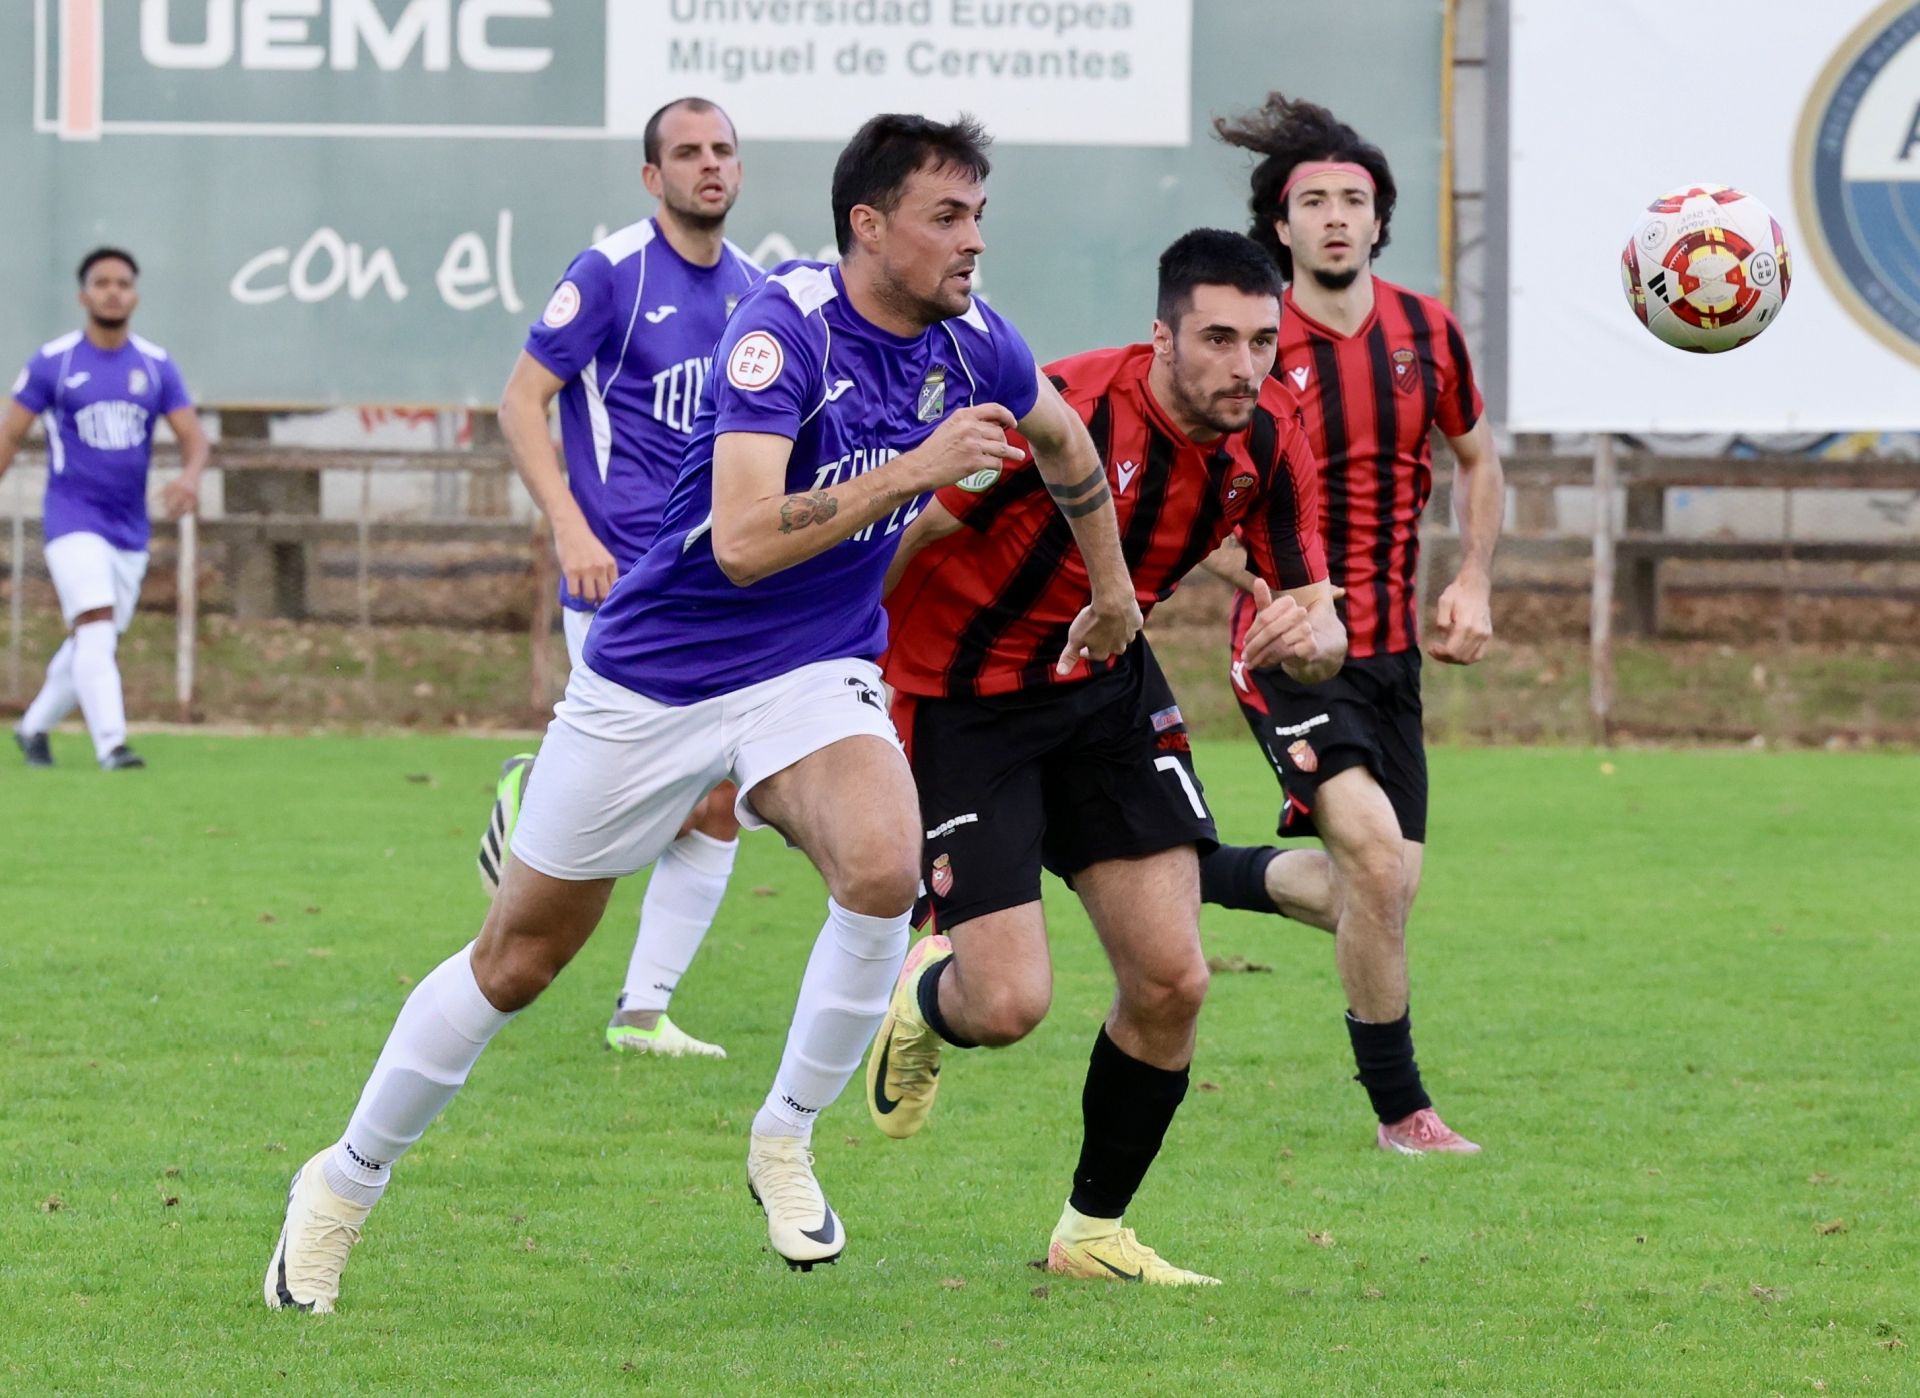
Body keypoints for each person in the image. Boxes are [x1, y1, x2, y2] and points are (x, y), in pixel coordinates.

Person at [264, 112, 1142, 1313]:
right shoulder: (780, 331)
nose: (972, 242)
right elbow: (737, 543)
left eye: (980, 216)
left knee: (885, 872)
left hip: (814, 668)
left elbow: (1063, 439)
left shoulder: (973, 340)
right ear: (868, 227)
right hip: (656, 676)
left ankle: (783, 1137)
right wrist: (910, 471)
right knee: (519, 961)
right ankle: (342, 1185)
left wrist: (1113, 588)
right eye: (948, 217)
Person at [867, 229, 1344, 1285]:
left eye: (1263, 340)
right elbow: (911, 536)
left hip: (1109, 698)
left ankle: (1090, 1232)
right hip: (965, 703)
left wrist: (1316, 640)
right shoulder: (1067, 409)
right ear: (1162, 335)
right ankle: (926, 997)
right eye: (1217, 338)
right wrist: (835, 664)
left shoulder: (1270, 437)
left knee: (1173, 979)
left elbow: (1317, 615)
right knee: (1006, 1006)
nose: (1244, 365)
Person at [1200, 93, 1504, 1155]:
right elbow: (1197, 512)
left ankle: (1175, 865)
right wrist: (1277, 589)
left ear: (1380, 221)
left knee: (1375, 894)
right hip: (1285, 652)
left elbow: (1479, 459)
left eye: (1355, 200)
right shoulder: (1249, 346)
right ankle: (1402, 1112)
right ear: (1276, 227)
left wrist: (1471, 577)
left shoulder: (1429, 334)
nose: (1335, 216)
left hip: (1390, 658)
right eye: (1312, 201)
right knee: (1374, 865)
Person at [485, 96, 762, 1060]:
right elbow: (524, 402)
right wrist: (567, 527)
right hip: (615, 580)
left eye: (722, 149)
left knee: (718, 795)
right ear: (653, 177)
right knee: (685, 786)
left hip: (710, 584)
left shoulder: (756, 292)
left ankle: (643, 1010)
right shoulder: (611, 273)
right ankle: (539, 794)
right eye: (686, 152)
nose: (708, 165)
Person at [2, 248, 209, 770]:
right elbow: (9, 435)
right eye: (102, 282)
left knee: (95, 637)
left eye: (122, 282)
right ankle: (111, 744)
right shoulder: (56, 361)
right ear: (83, 295)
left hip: (128, 525)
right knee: (95, 624)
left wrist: (189, 477)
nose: (112, 291)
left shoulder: (155, 366)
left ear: (135, 295)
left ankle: (32, 728)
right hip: (72, 516)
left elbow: (194, 438)